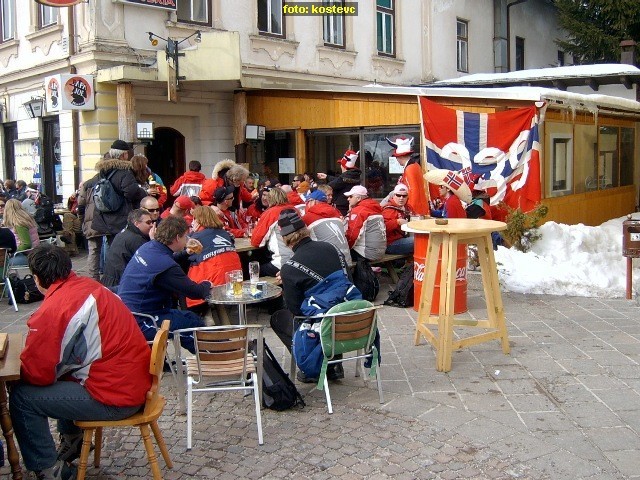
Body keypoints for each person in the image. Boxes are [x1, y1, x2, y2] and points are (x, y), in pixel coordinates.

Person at [9, 244, 151, 480]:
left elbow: (38, 374)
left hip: (115, 396)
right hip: (130, 383)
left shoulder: (56, 308)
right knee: (65, 370)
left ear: (36, 278)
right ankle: (72, 440)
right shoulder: (89, 286)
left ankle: (49, 469)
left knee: (23, 397)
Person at [270, 209, 358, 382]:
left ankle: (312, 364)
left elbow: (296, 311)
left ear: (285, 239)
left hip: (325, 325)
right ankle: (334, 363)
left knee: (280, 318)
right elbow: (349, 280)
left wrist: (288, 280)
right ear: (306, 230)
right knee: (332, 305)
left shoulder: (289, 268)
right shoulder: (331, 248)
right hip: (351, 319)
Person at [117, 215, 209, 353]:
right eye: (185, 237)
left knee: (187, 317)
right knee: (192, 326)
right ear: (177, 238)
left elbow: (165, 260)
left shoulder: (148, 247)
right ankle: (222, 357)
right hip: (142, 320)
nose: (186, 241)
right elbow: (195, 292)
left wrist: (185, 253)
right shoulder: (165, 266)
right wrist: (207, 285)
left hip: (129, 310)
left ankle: (220, 352)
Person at [186, 206, 241, 315]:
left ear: (198, 220)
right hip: (235, 280)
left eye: (194, 218)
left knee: (186, 282)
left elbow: (186, 254)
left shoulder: (196, 237)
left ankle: (202, 314)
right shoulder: (224, 233)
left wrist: (192, 233)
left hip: (215, 281)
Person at [91, 140, 147, 246]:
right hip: (119, 218)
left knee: (110, 247)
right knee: (121, 247)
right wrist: (145, 192)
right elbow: (132, 192)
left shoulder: (102, 171)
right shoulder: (125, 173)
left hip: (103, 216)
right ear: (124, 155)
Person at [101, 209, 155, 289]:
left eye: (152, 222)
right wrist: (154, 240)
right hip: (119, 284)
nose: (152, 225)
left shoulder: (124, 233)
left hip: (109, 281)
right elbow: (153, 261)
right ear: (137, 224)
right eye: (148, 222)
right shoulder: (136, 240)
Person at [250, 187, 296, 276]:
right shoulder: (294, 210)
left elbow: (256, 241)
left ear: (270, 199)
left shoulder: (271, 213)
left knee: (251, 270)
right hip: (298, 259)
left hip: (282, 262)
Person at [386, 136, 430, 216]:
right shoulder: (415, 165)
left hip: (415, 210)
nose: (396, 159)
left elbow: (413, 191)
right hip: (420, 207)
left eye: (396, 157)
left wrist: (410, 210)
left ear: (400, 156)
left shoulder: (409, 169)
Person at [77, 173, 105, 280]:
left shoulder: (87, 184)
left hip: (91, 220)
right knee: (111, 248)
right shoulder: (111, 180)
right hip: (108, 220)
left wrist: (82, 220)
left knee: (93, 250)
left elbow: (80, 205)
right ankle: (109, 276)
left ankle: (94, 278)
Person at [317, 150, 362, 216]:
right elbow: (339, 181)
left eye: (341, 164)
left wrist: (316, 188)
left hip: (341, 207)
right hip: (347, 205)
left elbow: (332, 185)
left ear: (343, 166)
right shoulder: (353, 175)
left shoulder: (345, 176)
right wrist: (327, 177)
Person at [343, 185, 383, 251]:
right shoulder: (373, 206)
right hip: (379, 250)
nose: (348, 199)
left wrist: (345, 249)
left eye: (350, 196)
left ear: (358, 198)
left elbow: (352, 236)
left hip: (366, 252)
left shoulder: (359, 210)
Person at [3, 198, 40, 265]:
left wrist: (14, 252)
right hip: (35, 251)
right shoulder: (26, 219)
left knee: (5, 261)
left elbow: (26, 244)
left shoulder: (19, 224)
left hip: (27, 254)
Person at [382, 183, 414, 255]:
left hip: (404, 238)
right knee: (419, 241)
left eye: (404, 196)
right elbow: (382, 227)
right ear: (393, 196)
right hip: (391, 243)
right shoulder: (388, 209)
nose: (401, 198)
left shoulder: (408, 208)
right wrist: (397, 222)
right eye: (398, 195)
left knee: (425, 238)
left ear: (407, 197)